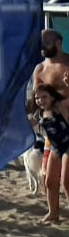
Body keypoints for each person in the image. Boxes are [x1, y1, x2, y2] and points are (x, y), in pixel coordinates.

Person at [33, 84, 69, 224]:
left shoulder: (60, 106)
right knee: (49, 182)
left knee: (66, 182)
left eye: (44, 97)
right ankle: (53, 213)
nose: (41, 100)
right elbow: (26, 123)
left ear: (53, 97)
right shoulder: (39, 113)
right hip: (55, 148)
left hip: (68, 146)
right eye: (37, 98)